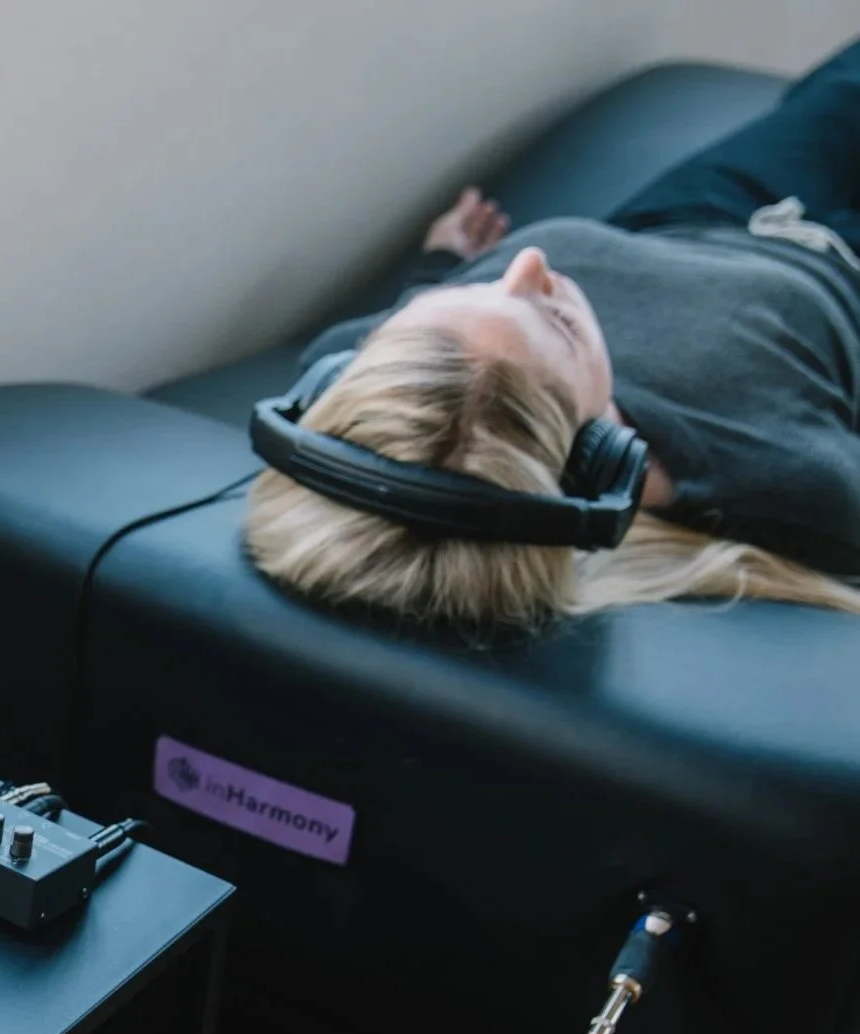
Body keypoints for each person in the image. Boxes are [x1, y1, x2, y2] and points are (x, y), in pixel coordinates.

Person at [244, 39, 860, 629]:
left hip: (683, 220)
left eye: (471, 290)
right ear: (595, 456)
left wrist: (441, 267)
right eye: (558, 324)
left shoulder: (360, 376)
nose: (527, 262)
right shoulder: (776, 474)